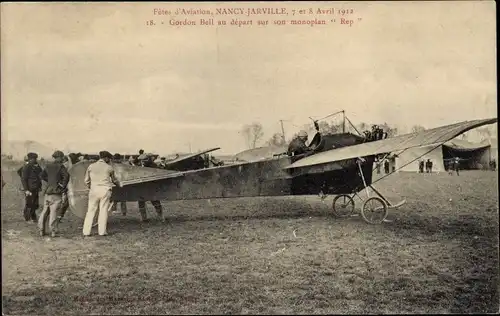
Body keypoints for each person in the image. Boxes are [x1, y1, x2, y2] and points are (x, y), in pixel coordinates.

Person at [82, 151, 118, 237]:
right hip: (105, 190)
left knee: (90, 210)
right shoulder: (109, 168)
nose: (109, 160)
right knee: (103, 210)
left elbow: (86, 180)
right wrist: (119, 185)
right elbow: (114, 180)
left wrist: (91, 187)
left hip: (94, 190)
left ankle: (86, 232)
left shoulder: (91, 166)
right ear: (106, 158)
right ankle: (102, 232)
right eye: (108, 158)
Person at [38, 151, 70, 237]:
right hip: (56, 193)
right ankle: (53, 231)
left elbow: (41, 175)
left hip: (48, 192)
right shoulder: (61, 167)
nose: (63, 158)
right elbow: (66, 176)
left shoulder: (48, 166)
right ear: (59, 157)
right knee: (53, 212)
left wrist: (49, 181)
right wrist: (62, 185)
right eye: (62, 157)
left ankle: (41, 230)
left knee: (45, 211)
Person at [137, 154, 165, 222]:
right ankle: (144, 218)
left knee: (155, 201)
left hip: (151, 186)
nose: (142, 162)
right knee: (141, 201)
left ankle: (161, 216)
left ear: (147, 160)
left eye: (143, 160)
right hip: (142, 186)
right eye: (141, 161)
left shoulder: (153, 166)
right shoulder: (139, 166)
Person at [19, 152, 43, 222]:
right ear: (30, 159)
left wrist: (37, 166)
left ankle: (33, 216)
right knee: (29, 203)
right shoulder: (27, 166)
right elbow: (23, 179)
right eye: (34, 159)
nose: (35, 160)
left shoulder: (36, 166)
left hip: (35, 188)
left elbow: (40, 173)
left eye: (35, 158)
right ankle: (27, 218)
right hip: (29, 188)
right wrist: (26, 189)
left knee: (35, 204)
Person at [57, 155, 71, 223]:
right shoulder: (62, 168)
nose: (66, 163)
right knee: (63, 203)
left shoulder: (65, 167)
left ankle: (59, 217)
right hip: (64, 187)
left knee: (65, 203)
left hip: (65, 187)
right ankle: (58, 217)